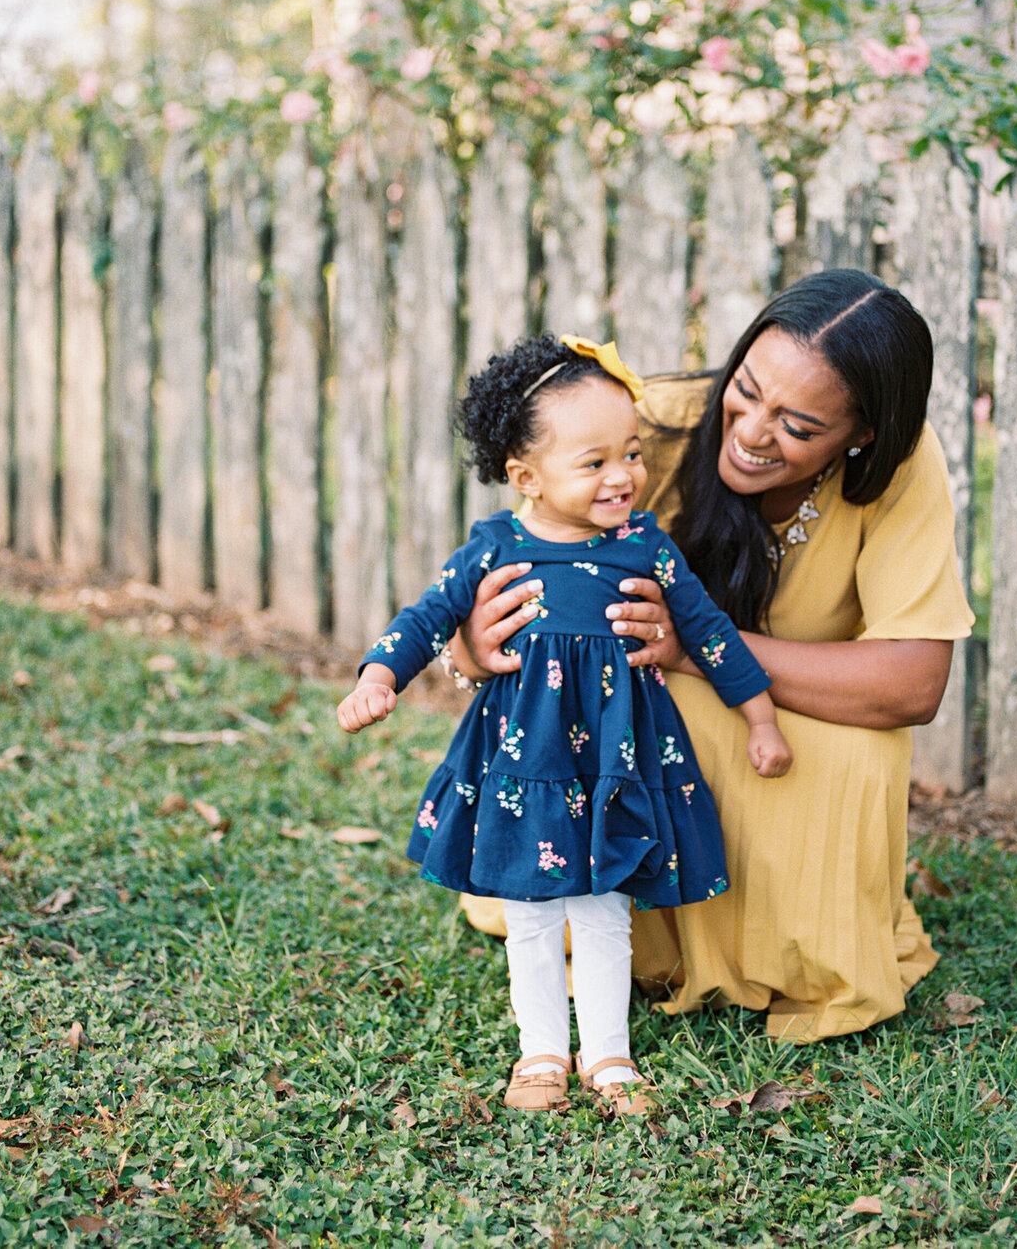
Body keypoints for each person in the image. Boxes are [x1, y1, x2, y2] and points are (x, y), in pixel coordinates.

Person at [448, 271, 974, 1043]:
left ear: (861, 434)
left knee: (864, 753)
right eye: (747, 389)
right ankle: (648, 939)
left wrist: (701, 653)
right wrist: (473, 646)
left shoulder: (898, 464)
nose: (753, 431)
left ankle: (797, 955)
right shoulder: (641, 431)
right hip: (621, 715)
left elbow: (913, 684)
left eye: (797, 425)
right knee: (637, 719)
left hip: (778, 715)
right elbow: (513, 567)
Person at [337, 333, 785, 1113]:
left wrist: (761, 717)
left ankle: (608, 1057)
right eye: (594, 462)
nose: (624, 476)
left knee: (606, 908)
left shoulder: (645, 545)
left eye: (633, 454)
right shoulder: (497, 546)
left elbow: (710, 631)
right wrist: (381, 676)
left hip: (617, 756)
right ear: (525, 477)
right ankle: (540, 1053)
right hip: (524, 758)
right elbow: (430, 615)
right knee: (534, 913)